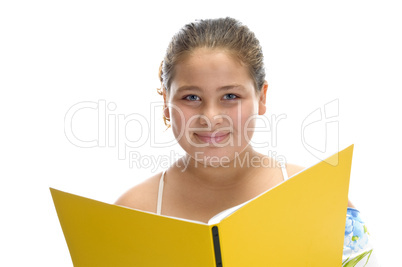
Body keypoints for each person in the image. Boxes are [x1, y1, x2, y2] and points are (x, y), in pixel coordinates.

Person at [116, 17, 379, 266]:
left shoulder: (324, 201)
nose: (210, 117)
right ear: (165, 103)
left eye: (230, 96)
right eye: (191, 98)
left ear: (261, 98)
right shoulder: (131, 213)